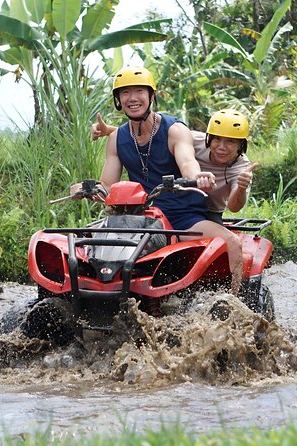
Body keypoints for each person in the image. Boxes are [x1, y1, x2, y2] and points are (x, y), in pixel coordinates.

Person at [78, 66, 247, 294]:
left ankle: (237, 304)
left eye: (139, 91)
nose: (132, 98)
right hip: (139, 218)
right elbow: (107, 186)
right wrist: (85, 188)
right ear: (118, 99)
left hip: (183, 218)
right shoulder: (116, 138)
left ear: (151, 96)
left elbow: (188, 163)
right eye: (125, 93)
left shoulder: (175, 130)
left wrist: (197, 178)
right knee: (85, 247)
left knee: (233, 243)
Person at [91, 109, 258, 224]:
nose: (221, 147)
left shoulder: (242, 168)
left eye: (230, 141)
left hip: (210, 210)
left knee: (224, 244)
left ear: (240, 145)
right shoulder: (196, 140)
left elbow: (234, 208)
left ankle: (236, 277)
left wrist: (242, 188)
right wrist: (111, 131)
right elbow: (159, 134)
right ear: (209, 138)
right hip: (180, 204)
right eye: (217, 139)